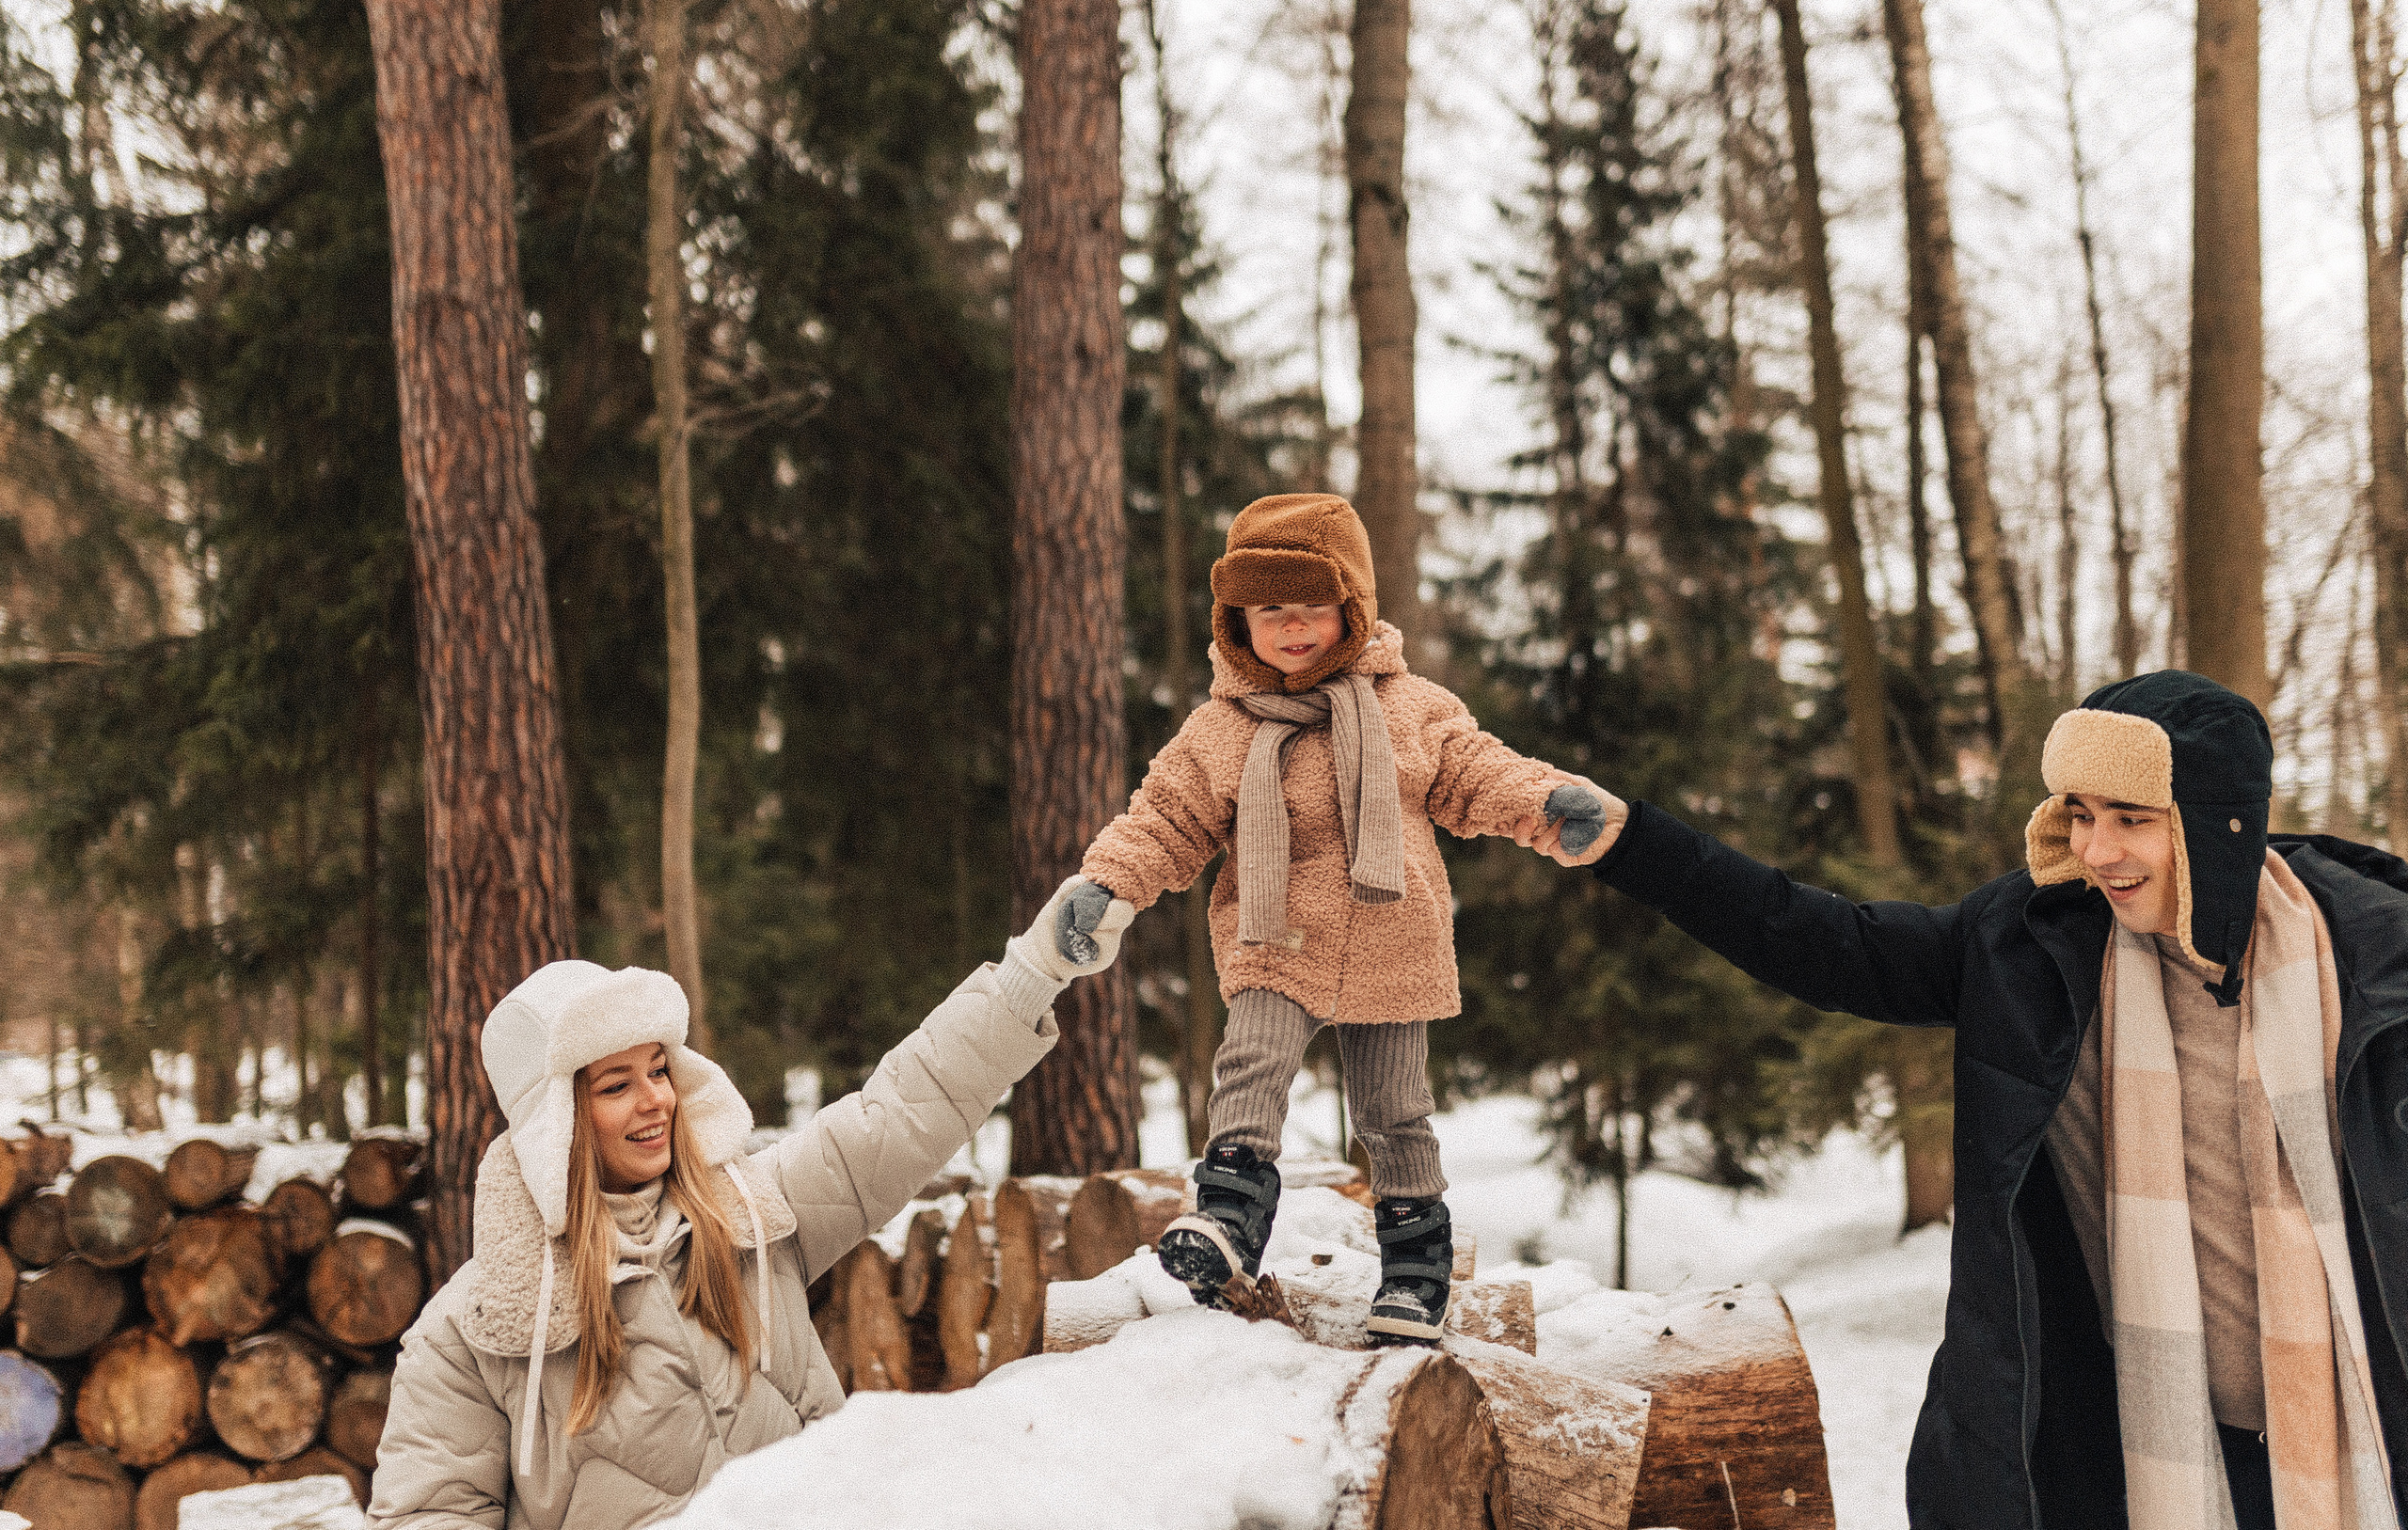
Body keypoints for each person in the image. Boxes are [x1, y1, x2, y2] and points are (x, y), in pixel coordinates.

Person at [1538, 670, 2408, 1530]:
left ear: (2216, 824)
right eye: (2081, 813)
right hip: (2137, 1449)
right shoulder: (2032, 944)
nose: (2097, 850)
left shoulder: (2375, 957)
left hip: (2366, 1432)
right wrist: (1633, 842)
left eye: (2132, 818)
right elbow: (1827, 944)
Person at [366, 875, 1135, 1530]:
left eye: (658, 1070)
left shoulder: (751, 1213)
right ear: (556, 1126)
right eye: (616, 1084)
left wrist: (1034, 969)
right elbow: (426, 1515)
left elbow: (901, 1112)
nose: (655, 1099)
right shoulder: (472, 1334)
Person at [1066, 492, 1605, 1341]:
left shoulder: (1409, 706)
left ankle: (1416, 1271)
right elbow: (1165, 819)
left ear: (1353, 608)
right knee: (1251, 1065)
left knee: (1394, 1111)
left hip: (1395, 934)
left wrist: (1546, 800)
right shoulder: (1221, 729)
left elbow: (1479, 774)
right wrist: (1107, 884)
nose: (1292, 627)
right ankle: (1229, 1218)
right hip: (1276, 933)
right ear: (1236, 622)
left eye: (1313, 606)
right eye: (1269, 610)